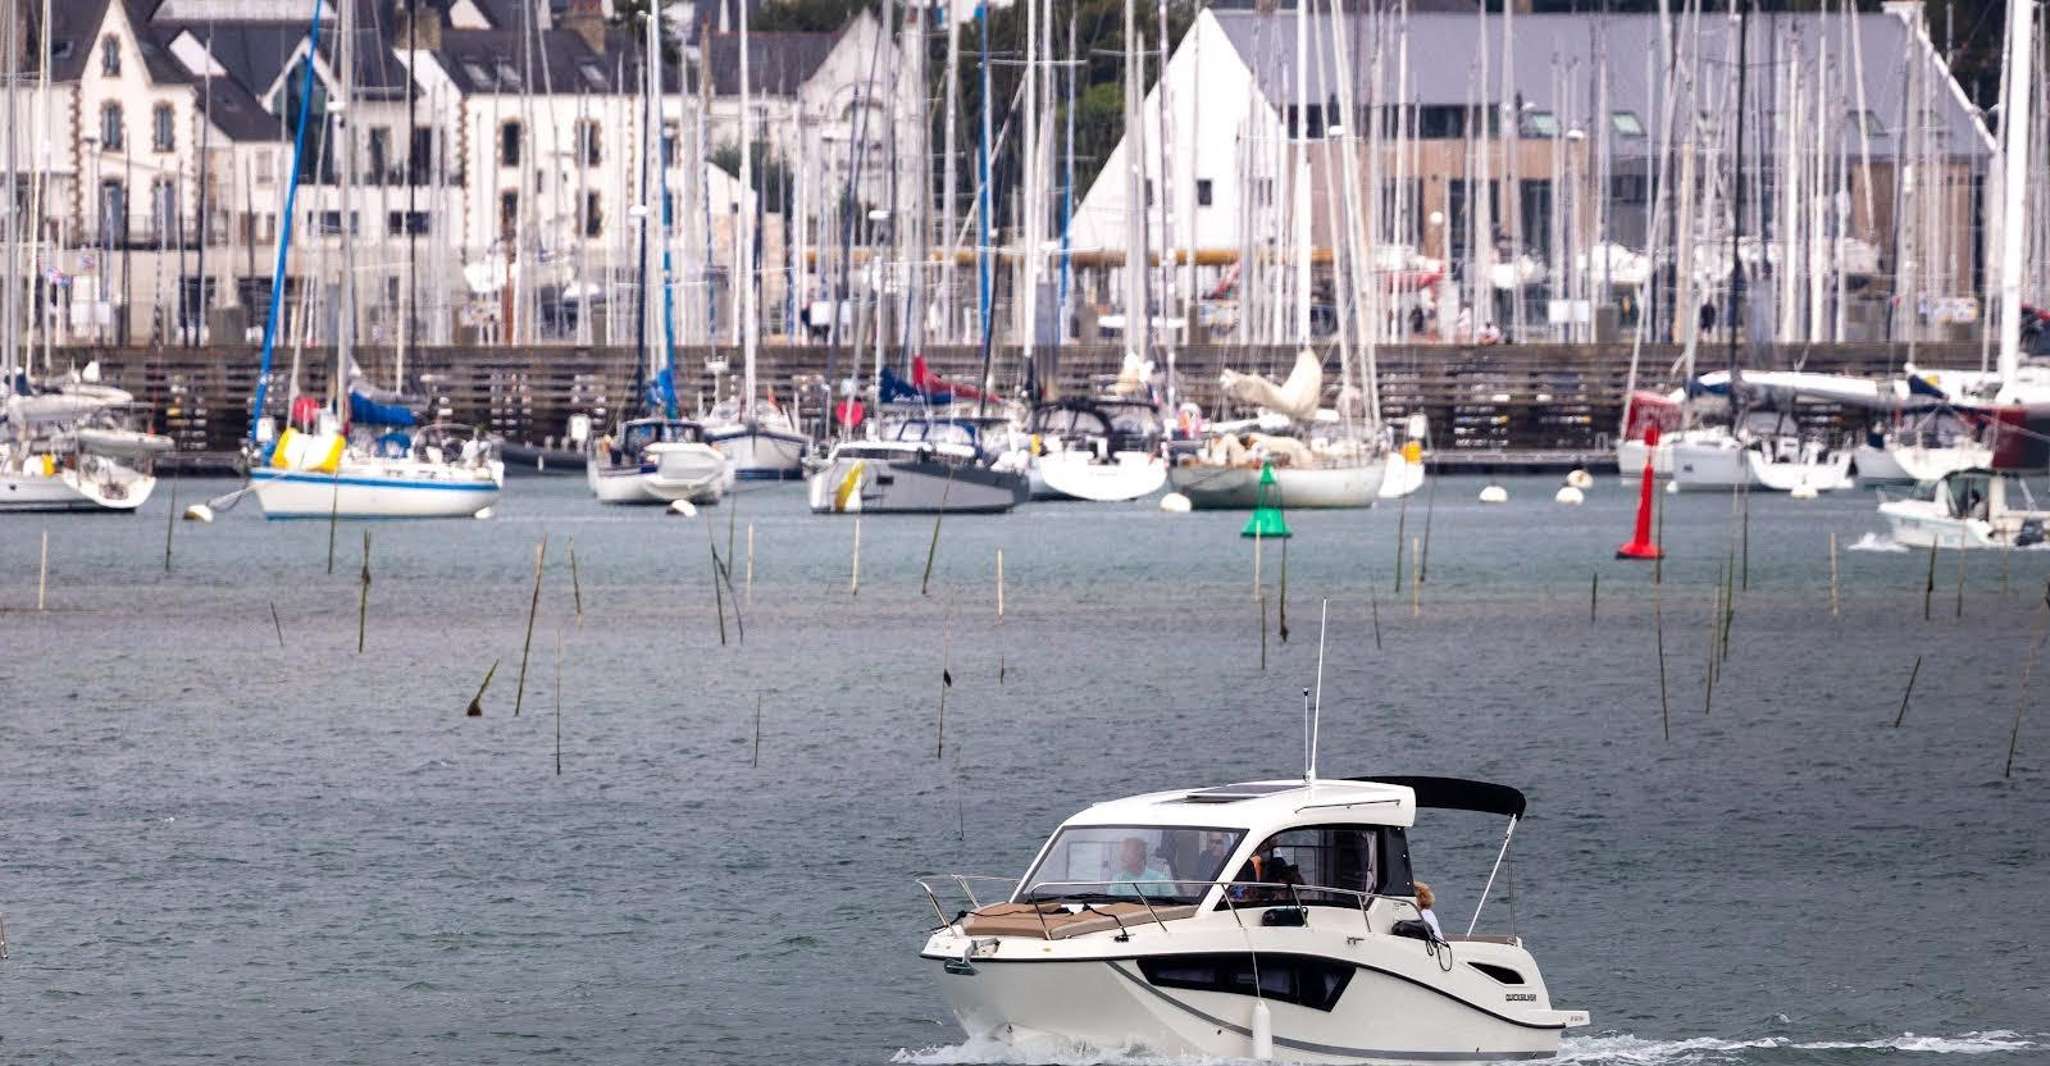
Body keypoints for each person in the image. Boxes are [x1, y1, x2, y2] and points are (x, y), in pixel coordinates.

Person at [1107, 836, 1175, 898]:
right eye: (1122, 853)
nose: (1121, 857)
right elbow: (1111, 905)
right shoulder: (1118, 880)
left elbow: (1173, 904)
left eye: (1125, 852)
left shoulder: (1159, 879)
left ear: (1139, 854)